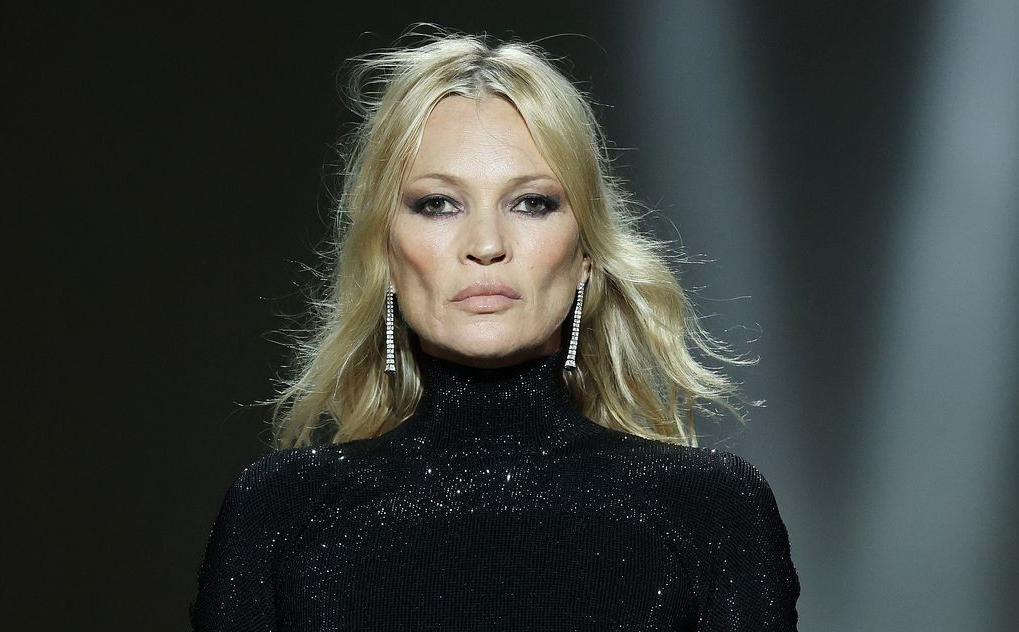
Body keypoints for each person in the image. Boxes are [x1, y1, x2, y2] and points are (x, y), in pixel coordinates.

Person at [190, 28, 799, 631]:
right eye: (437, 204)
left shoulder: (708, 511)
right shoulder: (280, 513)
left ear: (586, 254)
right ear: (386, 254)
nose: (485, 245)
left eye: (531, 203)